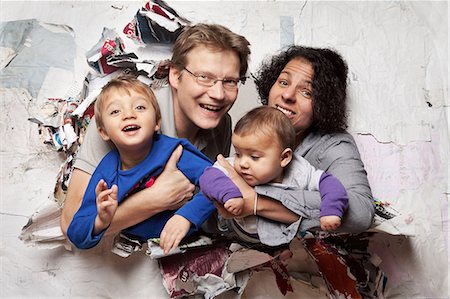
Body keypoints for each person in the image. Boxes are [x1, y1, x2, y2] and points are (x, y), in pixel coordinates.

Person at [60, 23, 251, 253]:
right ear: (176, 75)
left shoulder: (221, 122)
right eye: (203, 77)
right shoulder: (125, 120)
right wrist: (155, 199)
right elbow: (70, 223)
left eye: (229, 81)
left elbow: (214, 192)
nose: (218, 94)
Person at [214, 46, 375, 235]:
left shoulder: (335, 145)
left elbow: (361, 214)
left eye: (307, 92)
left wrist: (258, 202)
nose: (288, 95)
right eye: (283, 82)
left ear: (323, 103)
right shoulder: (257, 129)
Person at [67, 75, 215, 251]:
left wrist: (186, 217)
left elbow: (219, 183)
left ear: (156, 123)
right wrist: (101, 221)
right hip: (137, 260)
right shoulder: (107, 170)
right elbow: (76, 233)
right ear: (103, 132)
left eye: (140, 107)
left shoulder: (173, 151)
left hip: (187, 249)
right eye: (115, 111)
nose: (129, 115)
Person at [200, 106, 348, 245]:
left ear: (284, 158)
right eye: (238, 153)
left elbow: (329, 183)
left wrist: (332, 209)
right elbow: (208, 177)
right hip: (239, 236)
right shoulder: (233, 167)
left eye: (254, 157)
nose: (243, 163)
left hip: (284, 239)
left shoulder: (300, 171)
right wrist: (229, 194)